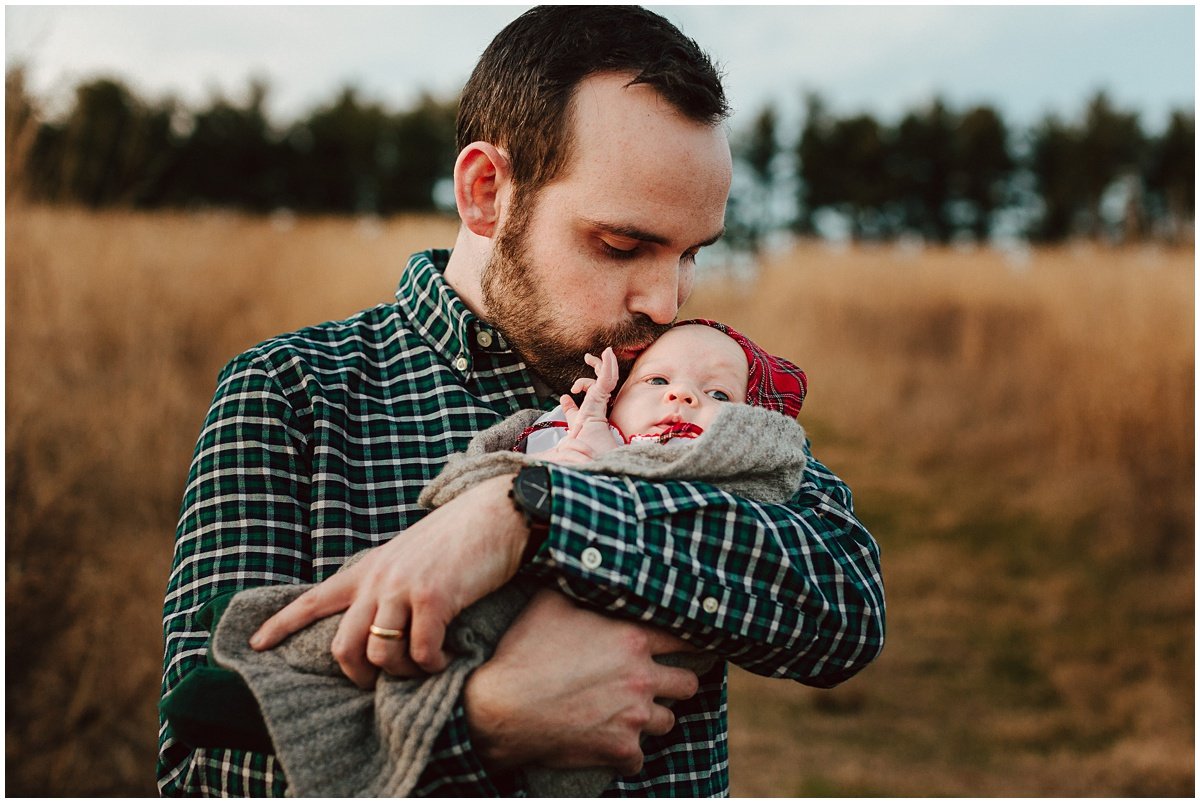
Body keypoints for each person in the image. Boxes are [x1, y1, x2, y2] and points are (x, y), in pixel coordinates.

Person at [159, 6, 885, 797]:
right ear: (486, 191)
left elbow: (845, 606)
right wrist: (484, 721)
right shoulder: (292, 395)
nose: (665, 301)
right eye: (621, 245)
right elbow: (206, 772)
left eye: (691, 254)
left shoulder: (680, 379)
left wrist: (529, 512)